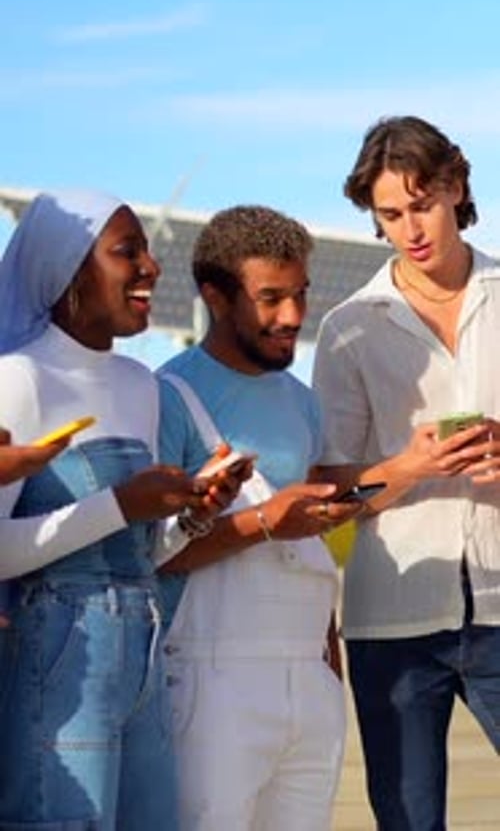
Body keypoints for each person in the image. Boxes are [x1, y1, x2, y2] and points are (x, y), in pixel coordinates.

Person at [0, 189, 245, 830]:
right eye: (125, 252)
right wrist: (120, 503)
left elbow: (140, 552)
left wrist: (191, 513)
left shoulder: (143, 387)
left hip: (144, 647)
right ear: (70, 269)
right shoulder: (18, 380)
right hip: (58, 658)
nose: (151, 267)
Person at [312, 115, 500, 831]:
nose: (410, 228)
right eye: (390, 214)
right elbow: (332, 491)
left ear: (455, 186)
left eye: (422, 204)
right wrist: (410, 466)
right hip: (391, 621)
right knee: (408, 822)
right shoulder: (349, 327)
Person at [156, 204, 363, 831]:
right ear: (215, 297)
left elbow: (313, 542)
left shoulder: (304, 404)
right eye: (271, 298)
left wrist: (327, 661)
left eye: (299, 294)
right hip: (211, 677)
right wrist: (266, 521)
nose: (294, 317)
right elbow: (152, 554)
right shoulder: (166, 395)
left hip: (309, 674)